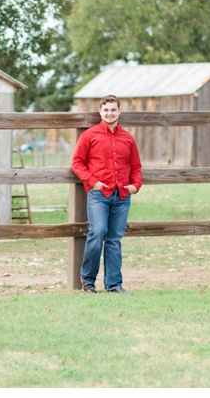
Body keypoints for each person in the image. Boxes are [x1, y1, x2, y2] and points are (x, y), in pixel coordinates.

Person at [71, 95, 142, 293]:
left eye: (113, 110)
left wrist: (135, 185)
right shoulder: (89, 135)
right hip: (98, 194)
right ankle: (89, 281)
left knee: (114, 240)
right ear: (100, 112)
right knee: (97, 232)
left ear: (119, 111)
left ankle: (114, 284)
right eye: (106, 110)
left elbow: (136, 166)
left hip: (122, 196)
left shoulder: (127, 138)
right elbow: (77, 162)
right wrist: (93, 182)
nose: (109, 113)